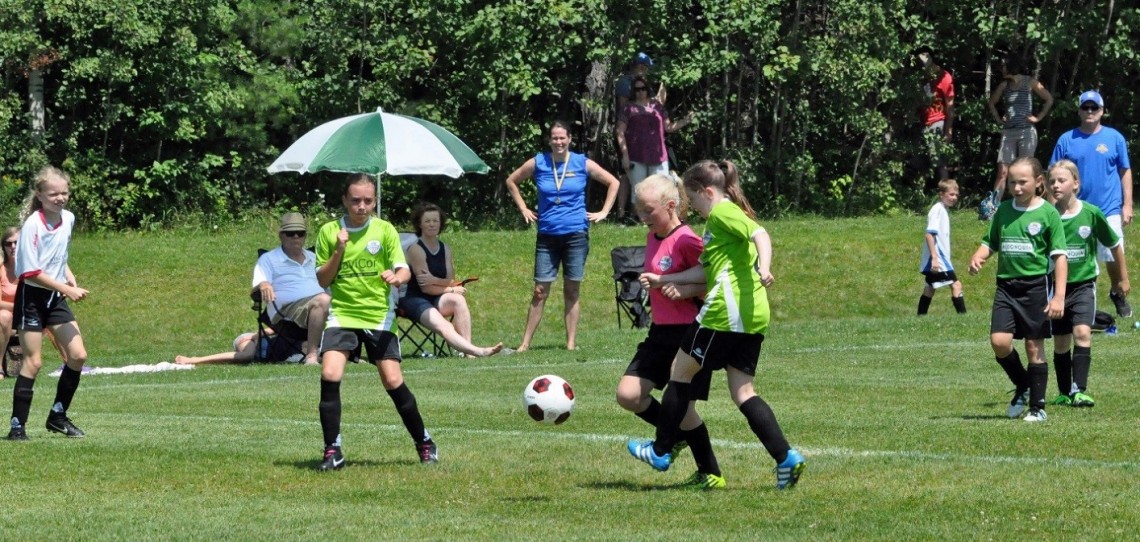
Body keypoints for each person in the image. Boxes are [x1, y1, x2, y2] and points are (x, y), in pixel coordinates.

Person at [626, 160, 806, 490]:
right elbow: (705, 272)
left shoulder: (723, 212)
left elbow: (760, 233)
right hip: (752, 313)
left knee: (680, 372)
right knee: (743, 392)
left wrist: (765, 267)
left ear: (707, 192)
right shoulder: (716, 226)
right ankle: (786, 457)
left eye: (692, 200)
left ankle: (661, 450)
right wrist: (664, 278)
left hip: (726, 311)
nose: (690, 206)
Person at [312, 174, 438, 470]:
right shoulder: (330, 231)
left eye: (368, 200)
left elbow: (403, 269)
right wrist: (339, 250)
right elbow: (323, 279)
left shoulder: (384, 230)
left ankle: (424, 441)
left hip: (378, 315)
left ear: (375, 201)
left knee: (393, 380)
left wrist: (397, 277)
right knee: (330, 374)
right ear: (344, 200)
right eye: (355, 200)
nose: (362, 206)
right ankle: (333, 451)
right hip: (342, 313)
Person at [615, 174, 723, 490]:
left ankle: (710, 473)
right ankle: (673, 438)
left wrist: (685, 290)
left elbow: (713, 280)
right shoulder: (652, 236)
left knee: (686, 410)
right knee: (629, 395)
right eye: (639, 210)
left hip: (690, 334)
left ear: (671, 205)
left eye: (649, 211)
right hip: (659, 334)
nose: (643, 217)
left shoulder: (688, 239)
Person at [504, 120, 619, 351]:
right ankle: (525, 344)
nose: (558, 142)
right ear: (550, 140)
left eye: (562, 138)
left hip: (576, 233)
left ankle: (570, 343)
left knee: (572, 289)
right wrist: (524, 209)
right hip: (547, 234)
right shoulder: (539, 162)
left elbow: (613, 182)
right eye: (554, 138)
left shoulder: (581, 162)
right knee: (540, 291)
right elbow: (511, 181)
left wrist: (604, 212)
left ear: (569, 139)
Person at [968, 157, 1067, 423]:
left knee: (1034, 347)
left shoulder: (1048, 213)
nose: (1017, 187)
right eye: (1012, 182)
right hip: (1006, 287)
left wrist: (1058, 296)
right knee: (999, 342)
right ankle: (1023, 385)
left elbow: (1059, 256)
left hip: (1035, 287)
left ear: (1038, 182)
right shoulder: (1003, 211)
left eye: (1023, 182)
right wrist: (979, 256)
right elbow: (990, 242)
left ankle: (1038, 407)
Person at [6, 166, 91, 440]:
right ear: (40, 195)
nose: (60, 198)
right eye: (54, 193)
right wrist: (65, 287)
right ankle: (17, 426)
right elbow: (29, 272)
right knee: (34, 362)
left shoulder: (68, 219)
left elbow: (58, 255)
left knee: (77, 356)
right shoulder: (32, 224)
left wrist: (69, 276)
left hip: (55, 297)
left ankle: (57, 416)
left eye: (64, 192)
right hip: (32, 298)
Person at [1046, 160, 1129, 408]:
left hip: (1083, 285)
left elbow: (1114, 244)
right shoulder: (1047, 215)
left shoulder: (1090, 213)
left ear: (1076, 183)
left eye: (1061, 180)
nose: (1056, 185)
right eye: (1052, 181)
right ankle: (1063, 392)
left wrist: (1122, 278)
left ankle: (1079, 390)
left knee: (1082, 332)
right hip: (1056, 288)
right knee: (1061, 342)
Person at [1049, 90, 1133, 317]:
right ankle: (1075, 300)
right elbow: (1054, 174)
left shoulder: (1115, 138)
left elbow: (1125, 171)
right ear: (1078, 111)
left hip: (1109, 208)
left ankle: (1117, 292)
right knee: (1077, 256)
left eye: (1093, 108)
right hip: (1076, 210)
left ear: (1102, 111)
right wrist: (1051, 210)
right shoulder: (1067, 139)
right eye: (1085, 107)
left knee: (1114, 253)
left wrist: (1127, 205)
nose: (1089, 111)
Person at [398, 202, 504, 357]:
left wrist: (436, 280)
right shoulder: (416, 249)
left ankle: (469, 354)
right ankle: (477, 351)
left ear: (441, 224)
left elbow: (450, 279)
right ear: (420, 224)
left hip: (436, 297)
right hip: (414, 299)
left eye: (435, 220)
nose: (432, 224)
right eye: (427, 221)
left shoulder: (445, 248)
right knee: (444, 325)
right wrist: (450, 288)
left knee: (458, 300)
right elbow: (426, 287)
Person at [252, 211, 330, 365]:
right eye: (290, 233)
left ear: (305, 236)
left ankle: (351, 353)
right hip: (287, 312)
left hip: (324, 304)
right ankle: (312, 356)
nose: (296, 237)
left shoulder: (315, 257)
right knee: (322, 300)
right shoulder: (268, 259)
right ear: (281, 235)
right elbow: (257, 287)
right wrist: (263, 284)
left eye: (300, 233)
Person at [615, 76, 693, 220]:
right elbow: (620, 131)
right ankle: (637, 218)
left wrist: (685, 121)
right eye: (637, 89)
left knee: (663, 188)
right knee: (638, 190)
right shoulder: (628, 109)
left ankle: (665, 217)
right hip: (636, 155)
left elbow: (668, 127)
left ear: (648, 89)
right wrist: (625, 155)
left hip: (658, 155)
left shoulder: (657, 107)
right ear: (633, 91)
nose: (640, 92)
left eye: (643, 88)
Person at [984, 53, 1053, 210]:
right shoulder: (1005, 85)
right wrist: (998, 119)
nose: (1001, 68)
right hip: (1008, 132)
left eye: (1003, 65)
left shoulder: (1029, 82)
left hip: (1026, 132)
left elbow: (1048, 98)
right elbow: (992, 103)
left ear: (1011, 66)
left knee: (1027, 170)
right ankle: (992, 207)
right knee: (1002, 171)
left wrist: (1038, 117)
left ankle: (1032, 204)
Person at [917, 179, 966, 315]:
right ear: (941, 194)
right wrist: (934, 258)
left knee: (929, 288)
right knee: (956, 285)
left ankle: (920, 317)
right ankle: (963, 318)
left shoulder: (943, 210)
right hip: (939, 260)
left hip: (940, 259)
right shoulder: (937, 210)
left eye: (956, 195)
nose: (954, 198)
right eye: (951, 194)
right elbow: (929, 234)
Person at [910, 47, 955, 184]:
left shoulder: (944, 77)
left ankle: (946, 192)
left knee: (938, 161)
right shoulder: (921, 77)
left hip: (938, 122)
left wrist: (948, 130)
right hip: (922, 122)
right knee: (919, 160)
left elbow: (950, 106)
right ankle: (919, 194)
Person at [174, 329, 306, 365]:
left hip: (261, 353)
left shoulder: (310, 348)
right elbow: (263, 332)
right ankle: (195, 360)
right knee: (246, 356)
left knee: (250, 357)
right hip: (250, 340)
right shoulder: (297, 330)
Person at [1, 227, 19, 380]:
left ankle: (69, 361)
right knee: (4, 316)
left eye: (16, 242)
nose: (12, 247)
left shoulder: (30, 268)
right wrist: (18, 307)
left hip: (26, 315)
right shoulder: (1, 269)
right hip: (5, 318)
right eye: (8, 243)